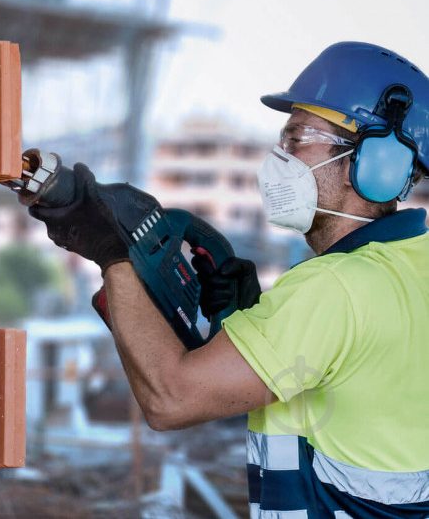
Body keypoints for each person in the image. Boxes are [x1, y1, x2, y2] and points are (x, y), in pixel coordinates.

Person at [30, 41, 429, 518]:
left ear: (378, 163)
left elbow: (170, 399)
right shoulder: (408, 269)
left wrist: (111, 253)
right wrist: (246, 325)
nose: (279, 159)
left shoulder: (334, 290)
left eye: (297, 139)